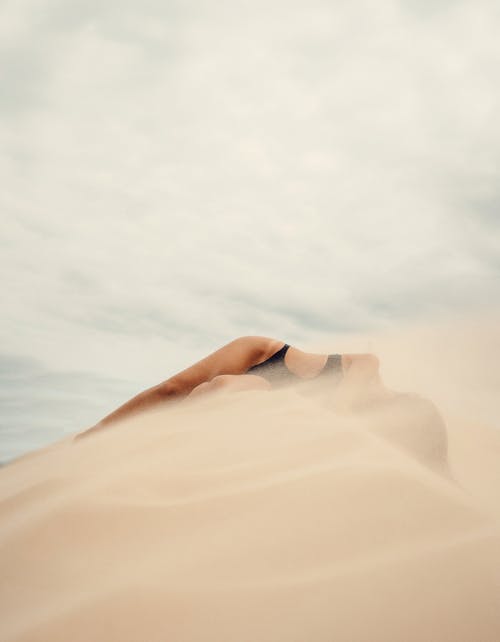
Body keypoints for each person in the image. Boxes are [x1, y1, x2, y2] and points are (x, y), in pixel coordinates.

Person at [77, 336, 388, 438]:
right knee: (229, 389)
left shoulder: (359, 373)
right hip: (268, 372)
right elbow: (171, 390)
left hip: (268, 404)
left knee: (229, 390)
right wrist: (97, 433)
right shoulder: (360, 367)